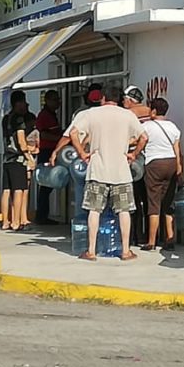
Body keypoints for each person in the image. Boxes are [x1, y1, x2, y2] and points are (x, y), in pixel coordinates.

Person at [66, 85, 147, 261]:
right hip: (121, 171)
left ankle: (91, 251)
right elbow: (144, 137)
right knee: (124, 211)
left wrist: (82, 153)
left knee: (94, 210)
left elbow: (73, 133)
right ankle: (126, 250)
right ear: (119, 99)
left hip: (97, 169)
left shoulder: (91, 114)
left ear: (103, 98)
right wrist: (134, 154)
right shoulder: (127, 115)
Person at [141, 97, 182, 252]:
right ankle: (169, 238)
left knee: (154, 203)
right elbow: (177, 148)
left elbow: (140, 141)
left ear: (153, 111)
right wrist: (179, 165)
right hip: (171, 163)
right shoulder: (173, 127)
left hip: (154, 164)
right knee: (168, 202)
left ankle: (151, 241)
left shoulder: (147, 126)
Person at [0, 90, 35, 231]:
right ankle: (16, 222)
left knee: (6, 190)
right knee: (19, 190)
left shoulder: (6, 118)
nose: (25, 105)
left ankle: (5, 221)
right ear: (18, 103)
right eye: (23, 102)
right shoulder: (19, 119)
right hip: (18, 158)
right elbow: (21, 141)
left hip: (6, 158)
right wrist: (29, 157)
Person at [123, 85, 152, 244]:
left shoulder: (128, 114)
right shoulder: (150, 112)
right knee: (148, 200)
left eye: (124, 99)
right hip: (150, 159)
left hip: (133, 159)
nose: (123, 101)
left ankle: (135, 235)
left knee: (132, 200)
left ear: (130, 100)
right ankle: (149, 236)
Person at [34, 89, 63, 224]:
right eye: (55, 100)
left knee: (50, 185)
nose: (58, 102)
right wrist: (60, 139)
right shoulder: (44, 116)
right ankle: (41, 216)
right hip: (46, 151)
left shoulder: (52, 115)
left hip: (53, 150)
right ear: (47, 101)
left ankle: (43, 215)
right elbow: (44, 134)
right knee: (46, 185)